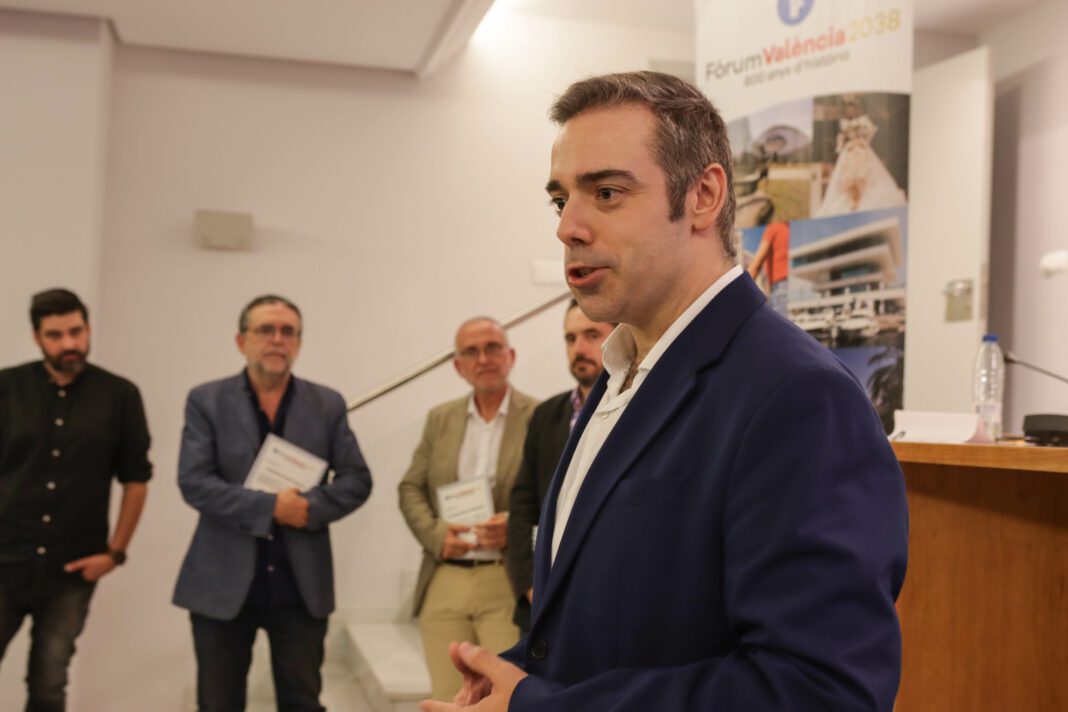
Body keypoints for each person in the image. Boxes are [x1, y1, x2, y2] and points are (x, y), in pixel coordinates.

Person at [422, 71, 908, 712]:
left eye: (606, 192)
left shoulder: (800, 396)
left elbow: (820, 692)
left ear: (703, 196)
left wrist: (538, 707)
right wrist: (511, 675)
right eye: (561, 200)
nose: (568, 227)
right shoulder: (620, 371)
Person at [173, 295, 372, 712]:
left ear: (298, 342)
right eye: (266, 330)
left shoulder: (327, 403)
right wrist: (271, 508)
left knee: (302, 703)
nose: (277, 340)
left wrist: (309, 507)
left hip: (299, 586)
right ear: (241, 340)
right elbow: (195, 482)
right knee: (218, 705)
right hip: (221, 583)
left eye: (288, 332)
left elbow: (357, 480)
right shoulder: (206, 400)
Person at [0, 288, 151, 712]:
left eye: (76, 331)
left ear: (88, 329)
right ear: (36, 337)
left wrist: (115, 552)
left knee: (49, 681)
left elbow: (136, 479)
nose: (69, 343)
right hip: (4, 558)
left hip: (71, 569)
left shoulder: (120, 395)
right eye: (55, 335)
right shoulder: (6, 388)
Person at [398, 317, 537, 701]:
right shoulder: (440, 419)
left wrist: (515, 526)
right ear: (459, 366)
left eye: (492, 348)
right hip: (446, 574)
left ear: (510, 356)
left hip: (505, 578)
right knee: (449, 699)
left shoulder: (540, 417)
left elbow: (556, 494)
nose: (483, 359)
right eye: (471, 352)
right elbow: (410, 488)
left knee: (504, 698)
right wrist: (437, 535)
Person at [505, 300, 612, 634]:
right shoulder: (546, 415)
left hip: (605, 595)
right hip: (544, 596)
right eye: (570, 338)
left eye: (591, 335)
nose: (579, 348)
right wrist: (529, 584)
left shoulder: (639, 407)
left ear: (619, 337)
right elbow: (523, 506)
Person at [817, 94, 907, 216]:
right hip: (851, 165)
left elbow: (859, 175)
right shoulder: (850, 145)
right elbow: (850, 175)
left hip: (861, 163)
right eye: (849, 108)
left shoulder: (860, 144)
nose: (852, 111)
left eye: (854, 107)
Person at [747, 204, 790, 315]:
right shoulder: (788, 228)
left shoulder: (773, 228)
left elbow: (756, 264)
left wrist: (740, 287)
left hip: (780, 287)